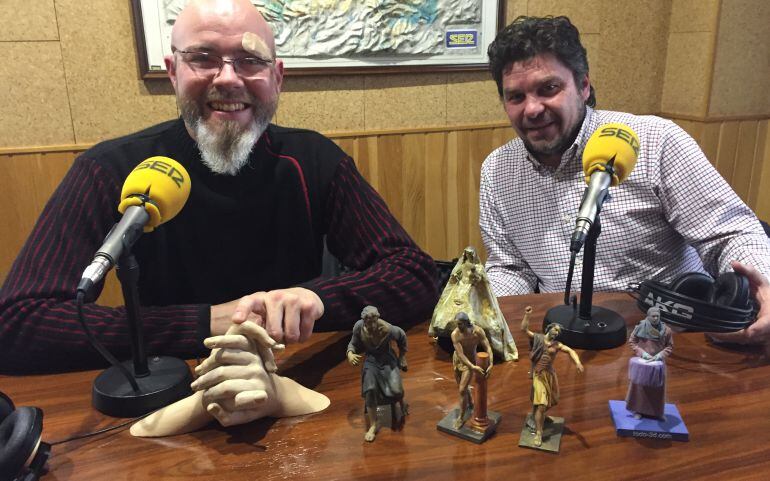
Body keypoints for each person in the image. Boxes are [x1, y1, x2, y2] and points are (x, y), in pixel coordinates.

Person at [0, 0, 437, 374]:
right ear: (173, 72)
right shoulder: (109, 169)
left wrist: (315, 299)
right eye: (204, 57)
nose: (228, 79)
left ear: (277, 78)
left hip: (289, 381)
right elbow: (17, 323)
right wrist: (204, 322)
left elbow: (414, 274)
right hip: (168, 390)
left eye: (250, 61)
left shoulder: (316, 161)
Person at [480, 15, 770, 351]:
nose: (532, 109)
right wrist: (482, 309)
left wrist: (764, 283)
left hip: (672, 342)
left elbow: (731, 233)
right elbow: (510, 267)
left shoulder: (655, 142)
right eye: (516, 97)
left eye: (548, 89)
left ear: (583, 86)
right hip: (566, 341)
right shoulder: (497, 170)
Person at [521, 308, 583, 447]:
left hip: (550, 375)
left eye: (558, 332)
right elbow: (524, 330)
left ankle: (537, 415)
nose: (556, 333)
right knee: (542, 404)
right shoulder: (538, 338)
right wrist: (527, 315)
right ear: (549, 329)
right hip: (539, 375)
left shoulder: (557, 345)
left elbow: (570, 351)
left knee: (553, 400)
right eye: (555, 330)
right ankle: (538, 432)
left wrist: (577, 362)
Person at [346, 306, 408, 442]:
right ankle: (374, 424)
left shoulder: (388, 329)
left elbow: (402, 336)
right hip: (371, 361)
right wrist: (350, 353)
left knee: (397, 390)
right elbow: (353, 343)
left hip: (387, 360)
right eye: (369, 322)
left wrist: (402, 357)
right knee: (370, 390)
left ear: (378, 318)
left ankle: (401, 403)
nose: (372, 325)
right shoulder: (359, 327)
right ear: (364, 321)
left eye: (374, 321)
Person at [626, 307, 673, 420]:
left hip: (657, 364)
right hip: (643, 363)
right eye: (653, 316)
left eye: (657, 316)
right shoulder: (640, 327)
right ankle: (638, 410)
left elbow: (669, 346)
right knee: (639, 388)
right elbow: (632, 341)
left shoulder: (666, 330)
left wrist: (660, 355)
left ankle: (657, 412)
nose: (655, 318)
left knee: (658, 389)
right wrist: (642, 353)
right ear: (648, 316)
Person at [450, 311, 493, 429]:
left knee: (462, 390)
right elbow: (460, 354)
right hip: (459, 361)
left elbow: (488, 346)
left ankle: (461, 417)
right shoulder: (455, 334)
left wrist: (491, 363)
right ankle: (469, 404)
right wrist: (473, 366)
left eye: (459, 324)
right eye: (457, 324)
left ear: (465, 322)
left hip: (471, 362)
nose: (457, 327)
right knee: (461, 387)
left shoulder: (477, 331)